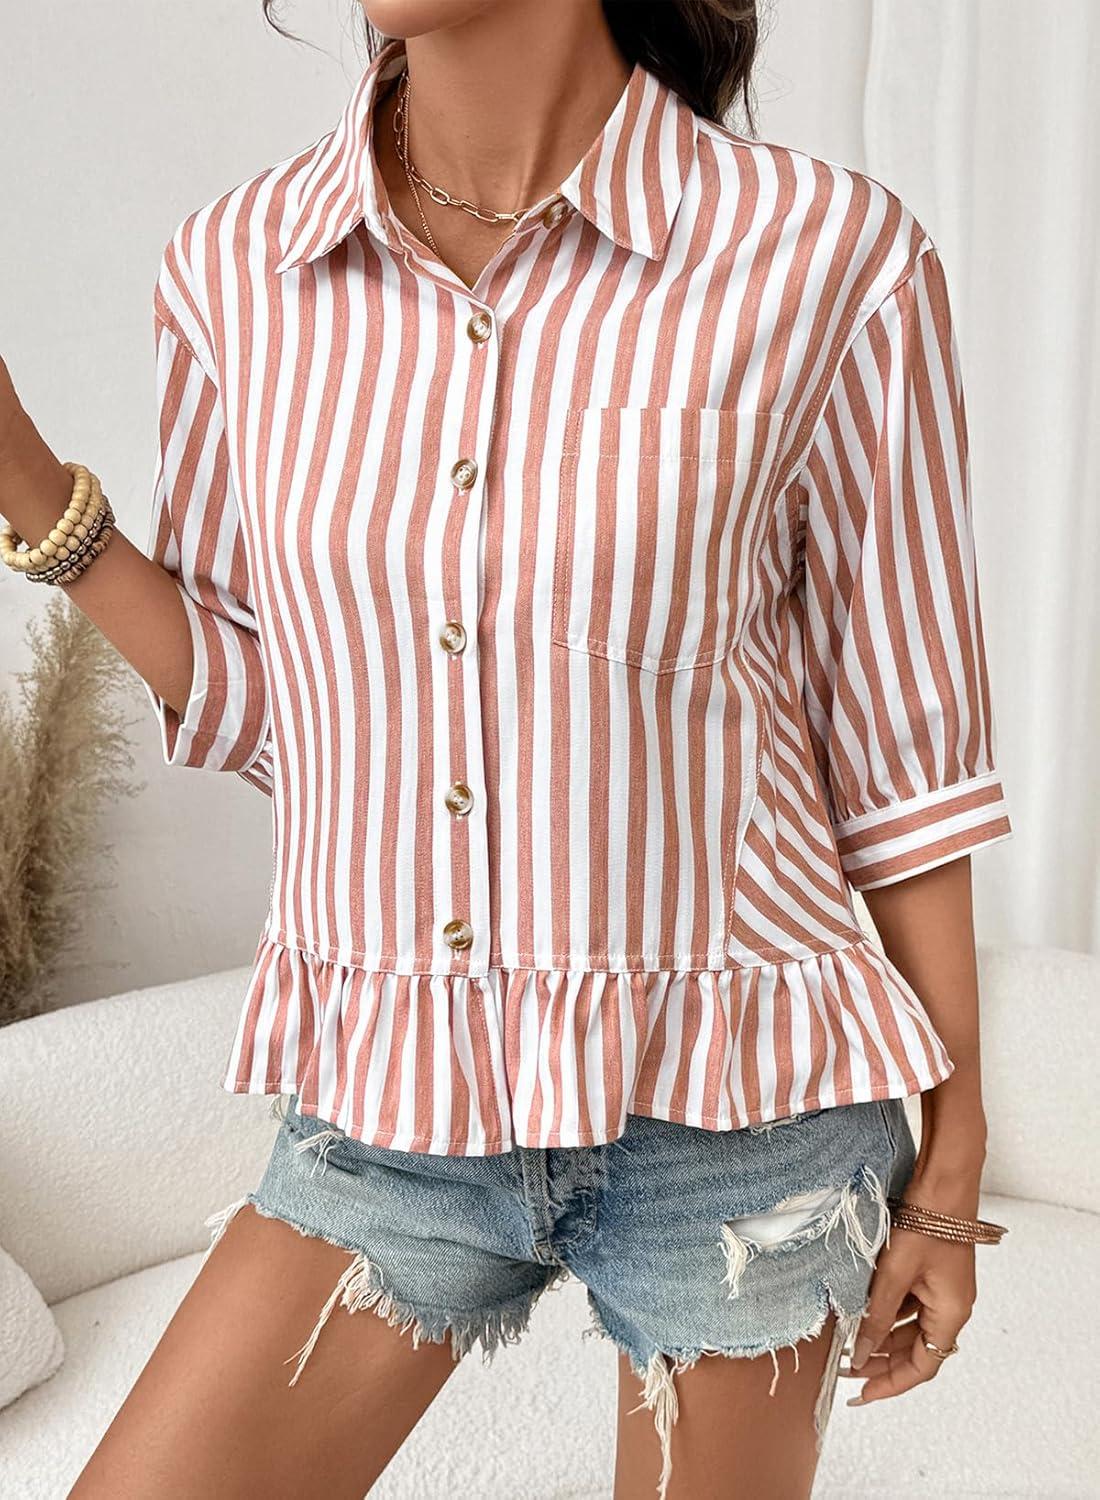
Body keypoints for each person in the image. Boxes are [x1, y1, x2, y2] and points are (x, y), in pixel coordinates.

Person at [0, 2, 1012, 1496]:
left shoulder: (827, 255)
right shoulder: (235, 269)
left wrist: (952, 1153)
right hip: (392, 1100)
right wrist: (27, 482)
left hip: (746, 1114)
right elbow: (280, 711)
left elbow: (905, 754)